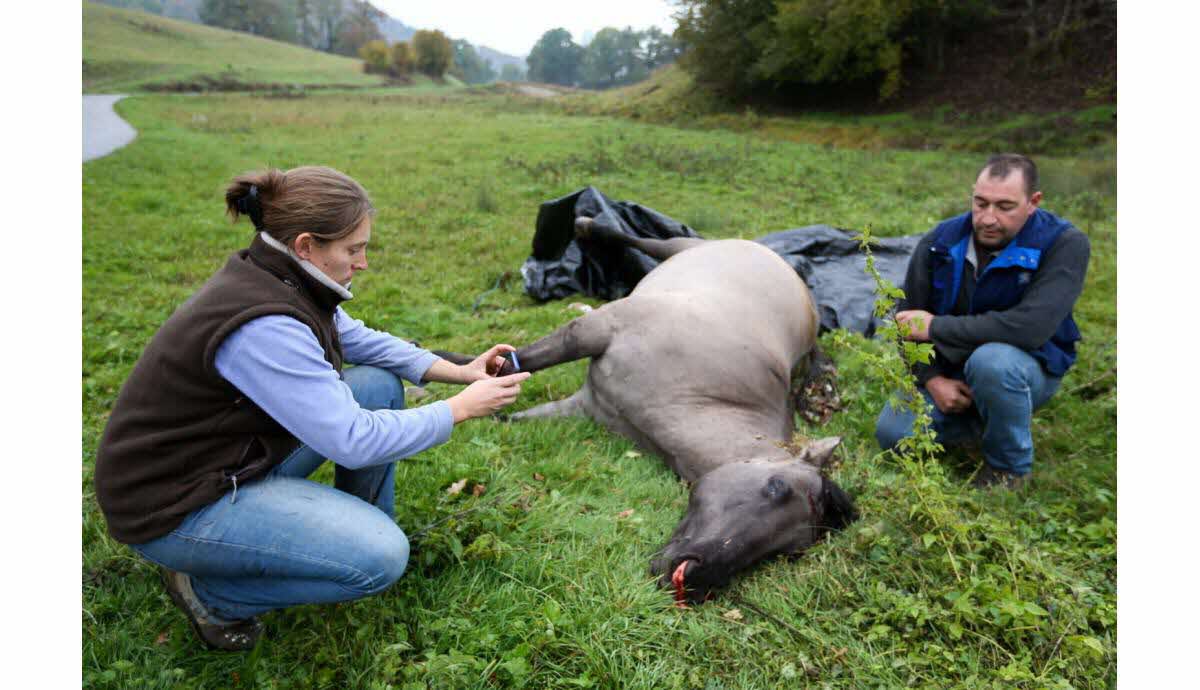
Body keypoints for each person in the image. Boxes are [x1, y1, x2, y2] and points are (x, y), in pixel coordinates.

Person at [93, 166, 531, 651]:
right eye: (353, 249)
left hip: (225, 458)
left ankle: (341, 540)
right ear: (306, 245)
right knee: (383, 556)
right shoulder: (265, 325)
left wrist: (461, 371)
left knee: (377, 384)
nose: (362, 262)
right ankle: (210, 593)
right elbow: (353, 439)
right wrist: (459, 409)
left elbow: (357, 338)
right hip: (174, 505)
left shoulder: (282, 275)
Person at [874, 154, 1090, 489]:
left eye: (1005, 207)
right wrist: (931, 379)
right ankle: (991, 418)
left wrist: (936, 327)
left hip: (1026, 366)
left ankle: (1008, 469)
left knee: (992, 364)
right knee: (893, 434)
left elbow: (1030, 328)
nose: (988, 218)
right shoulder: (940, 241)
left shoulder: (1063, 244)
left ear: (1033, 202)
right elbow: (908, 320)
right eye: (981, 203)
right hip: (952, 371)